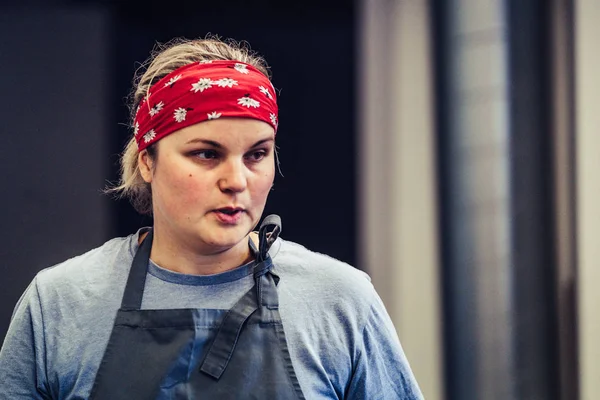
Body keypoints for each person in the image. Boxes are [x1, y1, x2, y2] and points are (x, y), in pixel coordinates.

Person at [0, 37, 423, 399]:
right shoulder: (61, 303)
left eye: (257, 154)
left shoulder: (339, 301)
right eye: (206, 154)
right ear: (147, 161)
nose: (237, 181)